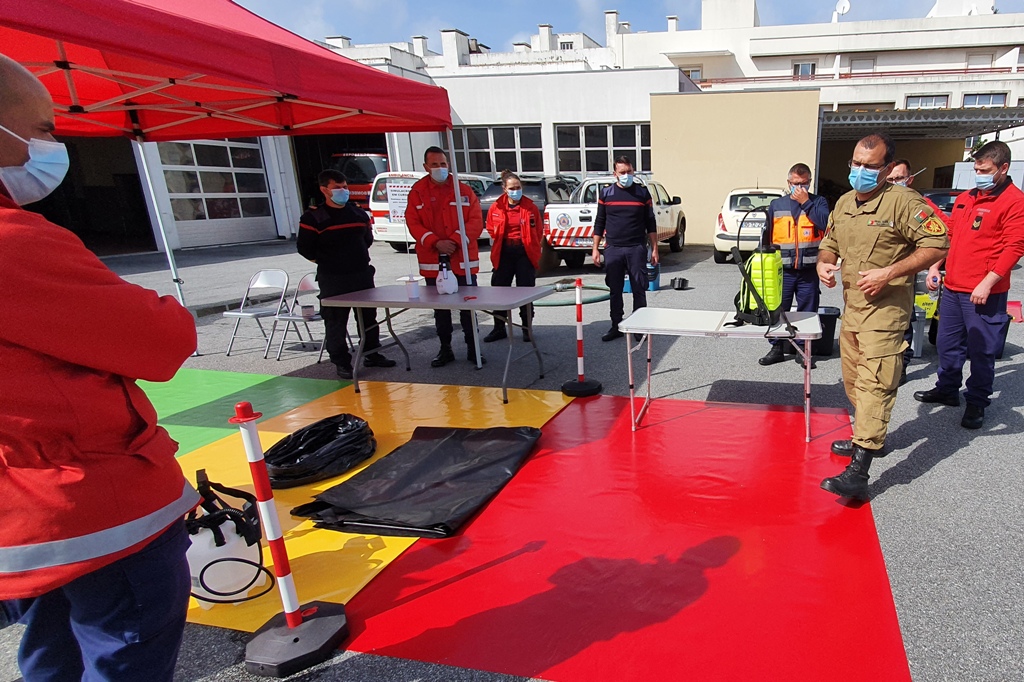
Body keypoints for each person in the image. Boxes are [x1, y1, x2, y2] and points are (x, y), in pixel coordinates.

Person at [0, 54, 200, 680]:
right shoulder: (18, 243)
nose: (51, 145)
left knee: (51, 651)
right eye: (43, 129)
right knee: (123, 655)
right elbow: (164, 338)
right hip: (89, 506)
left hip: (30, 513)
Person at [816, 131, 949, 500]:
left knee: (876, 382)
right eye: (855, 163)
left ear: (888, 167)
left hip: (886, 312)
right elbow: (830, 243)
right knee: (855, 382)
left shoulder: (903, 202)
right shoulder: (843, 202)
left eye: (870, 166)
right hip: (853, 310)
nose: (860, 170)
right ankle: (870, 438)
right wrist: (824, 266)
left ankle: (860, 470)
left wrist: (889, 273)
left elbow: (938, 242)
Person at [914, 141, 1024, 429]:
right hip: (953, 289)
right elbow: (950, 236)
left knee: (981, 351)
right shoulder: (966, 198)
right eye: (975, 168)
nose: (978, 174)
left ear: (1003, 168)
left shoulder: (1014, 201)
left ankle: (976, 402)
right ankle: (948, 389)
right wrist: (935, 266)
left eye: (984, 170)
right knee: (947, 345)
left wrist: (987, 283)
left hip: (983, 293)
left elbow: (1015, 247)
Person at [298, 169, 396, 380]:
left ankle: (372, 353)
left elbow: (367, 240)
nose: (343, 191)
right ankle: (341, 362)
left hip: (361, 274)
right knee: (335, 321)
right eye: (337, 188)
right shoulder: (313, 217)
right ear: (324, 190)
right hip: (333, 278)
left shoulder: (357, 213)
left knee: (368, 318)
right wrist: (327, 261)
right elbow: (305, 248)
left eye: (344, 187)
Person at [405, 146, 485, 366]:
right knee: (441, 311)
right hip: (433, 261)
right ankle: (445, 349)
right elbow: (413, 222)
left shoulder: (463, 191)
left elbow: (476, 221)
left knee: (468, 308)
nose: (440, 168)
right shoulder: (418, 191)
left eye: (443, 164)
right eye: (434, 164)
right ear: (425, 167)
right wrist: (435, 242)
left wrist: (454, 241)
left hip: (462, 260)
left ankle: (473, 348)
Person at [758, 163, 830, 367]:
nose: (800, 187)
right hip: (783, 271)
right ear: (788, 183)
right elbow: (766, 237)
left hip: (809, 270)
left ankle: (803, 350)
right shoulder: (777, 205)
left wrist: (806, 203)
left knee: (807, 312)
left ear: (810, 182)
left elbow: (826, 224)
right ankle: (777, 347)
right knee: (779, 309)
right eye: (796, 183)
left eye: (804, 183)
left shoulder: (819, 202)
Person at [887, 159, 949, 383]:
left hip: (904, 273)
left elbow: (943, 238)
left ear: (909, 179)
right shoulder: (879, 202)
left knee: (904, 319)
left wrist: (933, 267)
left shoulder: (920, 205)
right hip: (877, 273)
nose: (895, 183)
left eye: (899, 178)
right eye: (890, 179)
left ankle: (902, 365)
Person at [591, 156, 659, 341]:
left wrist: (654, 248)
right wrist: (595, 248)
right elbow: (600, 221)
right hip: (613, 248)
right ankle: (616, 326)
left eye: (629, 171)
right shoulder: (607, 194)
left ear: (633, 171)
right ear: (615, 174)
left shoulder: (642, 194)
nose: (626, 175)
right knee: (615, 289)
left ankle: (639, 327)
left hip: (636, 248)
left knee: (639, 288)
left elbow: (650, 222)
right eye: (622, 172)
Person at [483, 169, 543, 343]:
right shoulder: (497, 207)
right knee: (500, 290)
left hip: (524, 253)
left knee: (525, 291)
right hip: (504, 253)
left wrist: (531, 246)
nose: (516, 190)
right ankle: (499, 327)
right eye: (512, 188)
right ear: (504, 189)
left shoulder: (529, 206)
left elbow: (538, 231)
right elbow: (491, 228)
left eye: (518, 187)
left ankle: (526, 328)